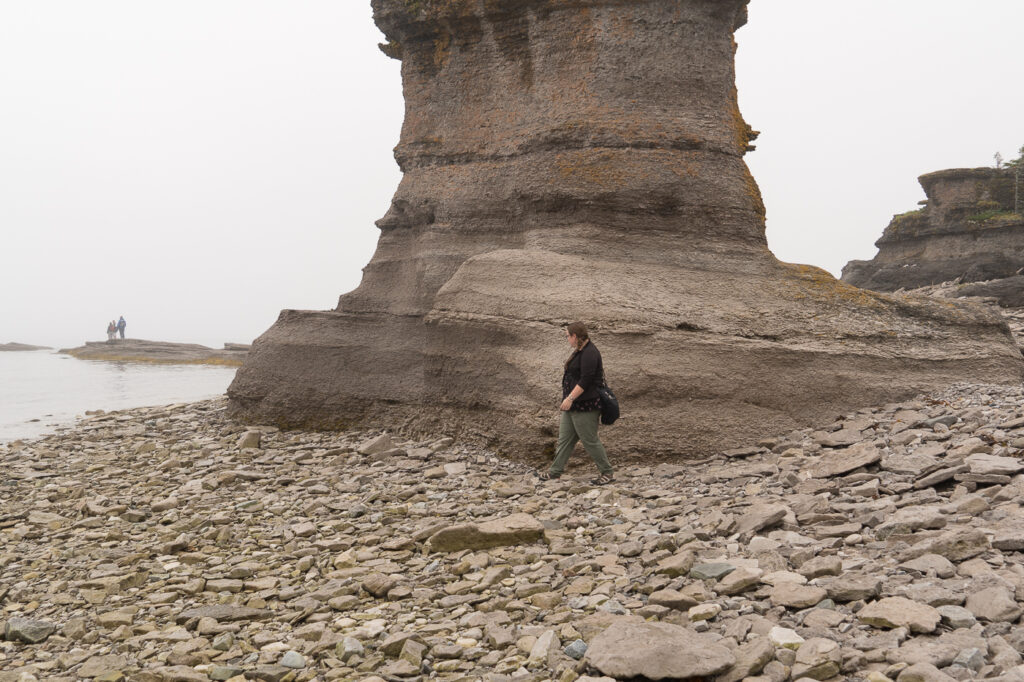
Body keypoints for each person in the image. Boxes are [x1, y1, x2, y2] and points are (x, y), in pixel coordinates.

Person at [539, 321, 614, 485]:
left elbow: (586, 380)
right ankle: (555, 472)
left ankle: (607, 472)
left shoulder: (590, 353)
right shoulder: (580, 351)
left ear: (575, 336)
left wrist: (570, 398)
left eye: (567, 336)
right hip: (572, 405)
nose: (567, 339)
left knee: (589, 440)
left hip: (586, 406)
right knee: (565, 439)